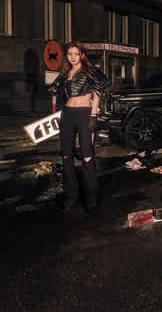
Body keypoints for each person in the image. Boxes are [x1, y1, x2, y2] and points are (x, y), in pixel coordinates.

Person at [48, 42, 108, 212]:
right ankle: (70, 197)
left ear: (82, 54)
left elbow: (97, 93)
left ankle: (91, 199)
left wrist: (93, 115)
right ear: (66, 56)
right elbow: (54, 91)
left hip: (84, 114)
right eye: (69, 54)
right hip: (67, 114)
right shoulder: (65, 73)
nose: (73, 57)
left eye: (76, 53)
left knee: (87, 156)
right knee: (66, 156)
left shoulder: (91, 71)